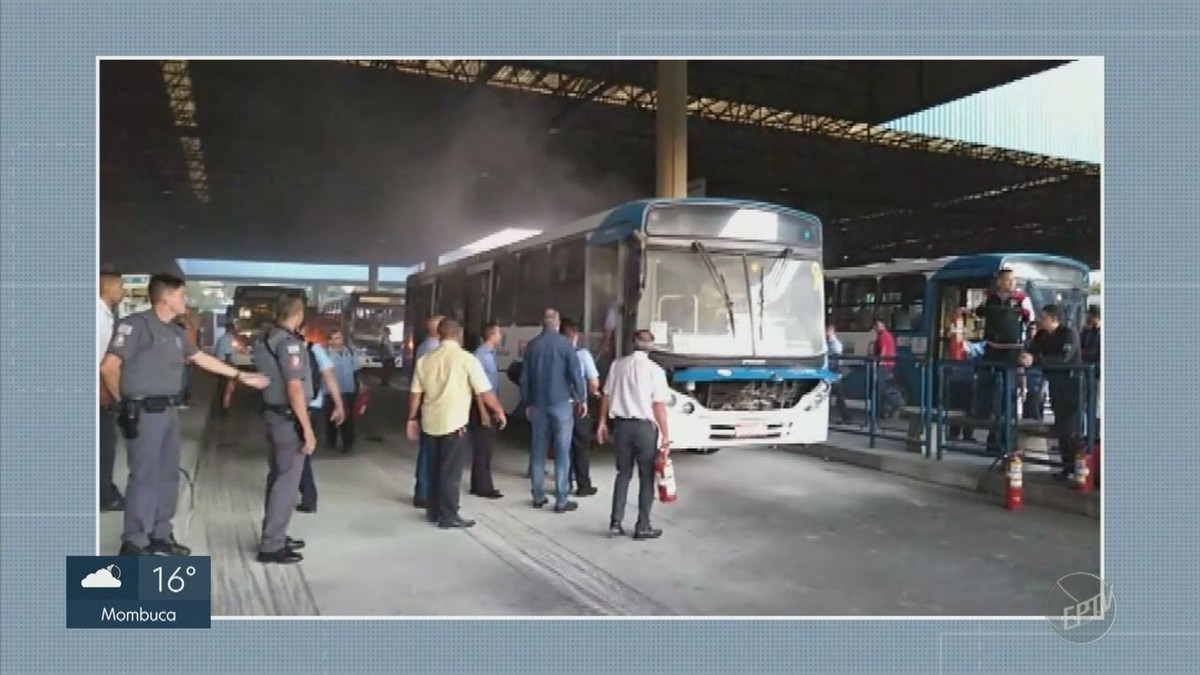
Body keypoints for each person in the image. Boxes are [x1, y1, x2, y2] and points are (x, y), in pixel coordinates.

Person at [100, 273, 268, 556]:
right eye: (181, 295)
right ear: (165, 298)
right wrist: (121, 404)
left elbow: (201, 358)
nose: (185, 300)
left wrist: (240, 375)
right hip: (143, 411)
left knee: (168, 476)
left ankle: (160, 535)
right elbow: (108, 367)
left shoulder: (176, 331)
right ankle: (134, 542)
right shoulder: (136, 326)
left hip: (167, 410)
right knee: (144, 476)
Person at [406, 319, 507, 529]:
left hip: (430, 422)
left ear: (440, 335)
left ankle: (433, 511)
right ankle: (449, 515)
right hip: (454, 424)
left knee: (433, 470)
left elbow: (416, 394)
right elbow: (484, 392)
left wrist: (412, 418)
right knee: (450, 473)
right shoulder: (466, 359)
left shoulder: (425, 360)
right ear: (458, 335)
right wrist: (498, 410)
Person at [253, 292, 317, 564]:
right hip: (287, 418)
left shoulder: (265, 339)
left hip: (272, 415)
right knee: (286, 483)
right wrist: (307, 428)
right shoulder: (289, 344)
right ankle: (272, 545)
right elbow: (294, 387)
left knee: (277, 477)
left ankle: (275, 533)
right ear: (299, 314)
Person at [595, 329, 671, 540]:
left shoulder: (617, 365)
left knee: (623, 474)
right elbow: (658, 406)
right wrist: (665, 435)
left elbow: (606, 395)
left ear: (632, 343)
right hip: (645, 429)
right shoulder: (655, 370)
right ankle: (642, 526)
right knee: (646, 477)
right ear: (651, 346)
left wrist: (602, 422)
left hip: (622, 427)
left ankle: (615, 522)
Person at [519, 308, 586, 512]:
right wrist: (581, 398)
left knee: (538, 450)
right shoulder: (565, 344)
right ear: (557, 324)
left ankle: (538, 496)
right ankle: (561, 499)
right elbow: (575, 374)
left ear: (542, 323)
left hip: (538, 405)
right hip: (561, 404)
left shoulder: (532, 346)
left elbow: (525, 378)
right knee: (562, 451)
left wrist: (527, 402)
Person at [1019, 305, 1084, 482]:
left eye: (1044, 317)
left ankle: (1080, 468)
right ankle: (1066, 467)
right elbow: (1032, 351)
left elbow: (1063, 359)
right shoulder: (1041, 335)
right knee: (1061, 427)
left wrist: (1037, 360)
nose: (1040, 320)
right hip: (1055, 385)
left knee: (1071, 428)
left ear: (1054, 319)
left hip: (1072, 385)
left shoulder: (1068, 334)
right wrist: (1025, 357)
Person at [974, 267, 1035, 452]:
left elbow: (1031, 322)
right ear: (999, 281)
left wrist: (1028, 348)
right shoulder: (990, 298)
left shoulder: (1021, 299)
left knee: (1008, 395)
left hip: (1012, 351)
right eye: (1006, 280)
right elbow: (979, 313)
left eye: (1012, 280)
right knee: (988, 391)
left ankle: (1005, 441)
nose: (1010, 283)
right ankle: (991, 438)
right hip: (992, 349)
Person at [297, 336, 345, 514]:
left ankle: (309, 497)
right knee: (303, 452)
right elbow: (329, 376)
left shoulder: (284, 347)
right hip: (314, 406)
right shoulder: (314, 349)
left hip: (297, 406)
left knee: (299, 453)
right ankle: (308, 496)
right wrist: (338, 404)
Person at [560, 318, 601, 497]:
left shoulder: (556, 354)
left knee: (563, 446)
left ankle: (564, 485)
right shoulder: (583, 354)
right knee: (582, 446)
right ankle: (583, 485)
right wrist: (594, 393)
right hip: (578, 406)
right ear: (575, 336)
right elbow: (593, 382)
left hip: (559, 405)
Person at [97, 270, 126, 512]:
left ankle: (105, 490)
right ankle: (104, 495)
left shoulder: (106, 314)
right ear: (106, 287)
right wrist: (116, 397)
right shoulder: (98, 316)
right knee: (104, 447)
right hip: (99, 397)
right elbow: (103, 366)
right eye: (120, 286)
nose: (123, 291)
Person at [410, 314, 444, 509]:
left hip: (425, 402)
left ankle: (422, 490)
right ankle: (424, 492)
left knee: (426, 449)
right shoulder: (433, 350)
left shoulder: (424, 346)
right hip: (431, 404)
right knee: (429, 451)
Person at [470, 322, 504, 499]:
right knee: (484, 447)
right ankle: (483, 487)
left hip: (488, 405)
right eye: (499, 333)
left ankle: (478, 484)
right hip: (484, 407)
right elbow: (478, 389)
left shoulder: (488, 354)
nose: (501, 336)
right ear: (492, 334)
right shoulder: (482, 356)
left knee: (484, 448)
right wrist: (484, 412)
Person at [325, 329, 361, 453]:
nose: (338, 341)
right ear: (329, 341)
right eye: (335, 338)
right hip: (331, 392)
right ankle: (331, 441)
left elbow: (355, 370)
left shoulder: (350, 352)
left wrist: (359, 386)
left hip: (348, 390)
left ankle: (348, 443)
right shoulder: (325, 354)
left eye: (339, 337)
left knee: (348, 417)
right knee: (331, 418)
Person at [872, 319, 904, 419]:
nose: (875, 328)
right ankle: (883, 411)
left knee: (881, 388)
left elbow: (883, 351)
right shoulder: (889, 335)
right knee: (883, 387)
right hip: (889, 364)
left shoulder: (882, 336)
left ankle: (897, 403)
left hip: (884, 365)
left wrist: (878, 363)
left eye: (876, 326)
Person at [825, 323, 851, 425]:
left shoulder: (835, 344)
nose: (826, 333)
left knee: (838, 396)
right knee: (838, 396)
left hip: (834, 373)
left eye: (827, 331)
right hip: (832, 373)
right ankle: (846, 417)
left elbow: (836, 360)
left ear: (832, 332)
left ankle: (847, 417)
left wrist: (834, 374)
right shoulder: (830, 343)